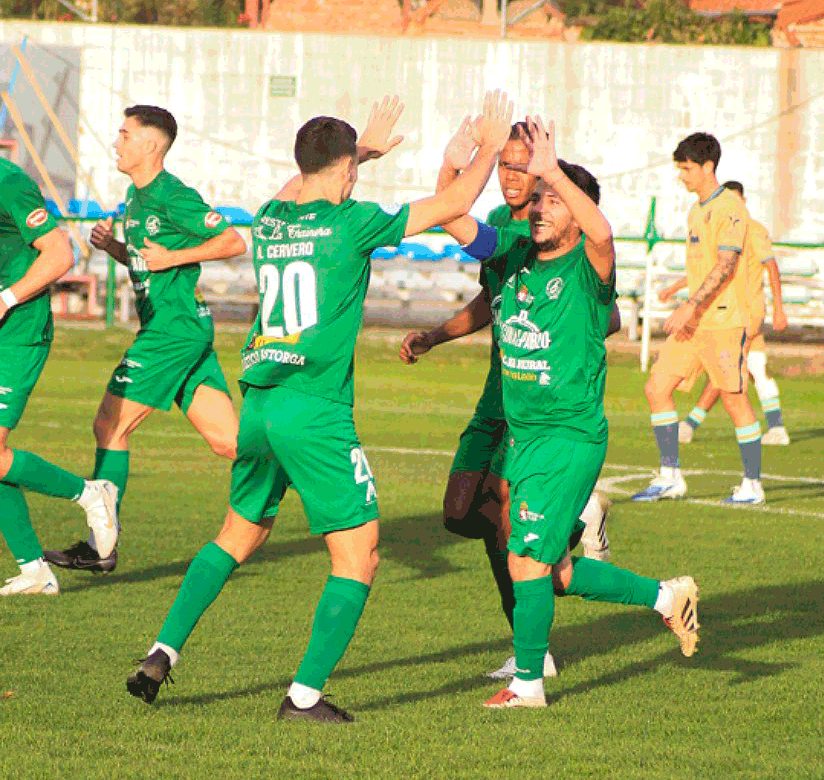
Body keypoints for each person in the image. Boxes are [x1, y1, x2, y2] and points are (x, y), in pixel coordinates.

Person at [125, 92, 515, 722]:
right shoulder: (351, 222)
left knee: (237, 533)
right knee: (359, 555)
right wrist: (488, 146)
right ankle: (303, 697)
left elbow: (302, 180)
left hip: (259, 404)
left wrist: (357, 153)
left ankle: (161, 651)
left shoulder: (273, 215)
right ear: (348, 173)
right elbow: (454, 206)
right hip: (315, 411)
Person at [432, 115, 699, 708]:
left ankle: (528, 685)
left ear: (574, 210)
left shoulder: (587, 269)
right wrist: (454, 165)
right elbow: (453, 219)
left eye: (553, 200)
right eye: (538, 198)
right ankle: (664, 596)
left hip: (569, 436)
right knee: (547, 569)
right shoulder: (515, 251)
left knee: (524, 555)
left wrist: (553, 170)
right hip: (524, 438)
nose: (539, 208)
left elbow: (603, 235)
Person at [399, 121, 612, 682]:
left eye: (524, 165)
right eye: (505, 164)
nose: (514, 176)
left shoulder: (563, 237)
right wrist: (436, 335)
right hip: (497, 398)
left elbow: (605, 311)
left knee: (508, 532)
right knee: (458, 513)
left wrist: (569, 334)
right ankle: (569, 528)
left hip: (538, 411)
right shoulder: (501, 228)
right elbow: (487, 289)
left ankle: (531, 652)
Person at [44, 105, 247, 573]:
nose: (116, 143)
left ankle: (100, 549)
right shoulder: (133, 201)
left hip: (171, 333)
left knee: (109, 426)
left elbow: (233, 242)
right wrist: (116, 249)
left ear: (152, 146)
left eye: (125, 134)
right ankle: (322, 478)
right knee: (229, 442)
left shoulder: (173, 194)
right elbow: (147, 260)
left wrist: (174, 256)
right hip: (180, 330)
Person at [0, 158, 119, 596]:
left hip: (17, 331)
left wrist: (5, 298)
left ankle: (90, 494)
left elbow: (60, 253)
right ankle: (34, 571)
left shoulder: (8, 181)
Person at [632, 133, 765, 505]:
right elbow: (705, 264)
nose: (682, 176)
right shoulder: (696, 210)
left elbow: (726, 265)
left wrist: (690, 305)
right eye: (679, 169)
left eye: (687, 168)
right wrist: (680, 293)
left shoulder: (731, 207)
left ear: (708, 167)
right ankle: (670, 476)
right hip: (695, 321)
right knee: (657, 388)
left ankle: (752, 485)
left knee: (733, 399)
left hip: (723, 321)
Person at [658, 181, 790, 446]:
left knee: (726, 370)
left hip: (745, 312)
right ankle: (777, 428)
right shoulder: (722, 227)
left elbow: (772, 267)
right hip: (728, 310)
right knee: (753, 367)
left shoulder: (752, 230)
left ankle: (690, 424)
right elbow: (713, 269)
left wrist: (778, 308)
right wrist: (674, 288)